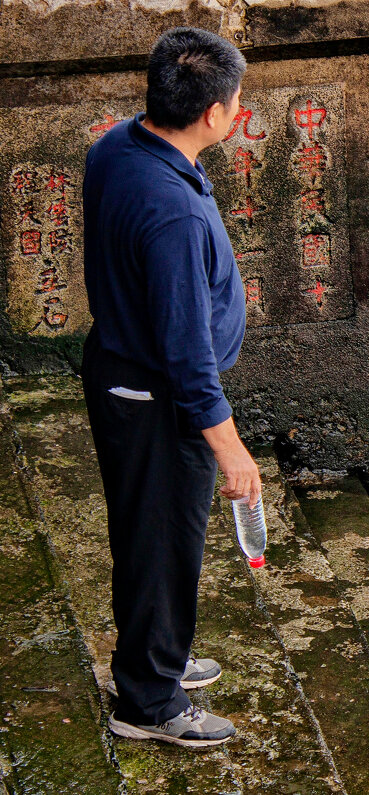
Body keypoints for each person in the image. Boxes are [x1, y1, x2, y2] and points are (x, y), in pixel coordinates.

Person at [81, 26, 261, 748]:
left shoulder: (119, 145)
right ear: (214, 114)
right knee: (161, 541)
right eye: (236, 98)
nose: (238, 107)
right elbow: (187, 353)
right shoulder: (174, 210)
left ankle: (160, 656)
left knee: (145, 532)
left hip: (122, 371)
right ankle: (148, 701)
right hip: (156, 396)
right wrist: (232, 448)